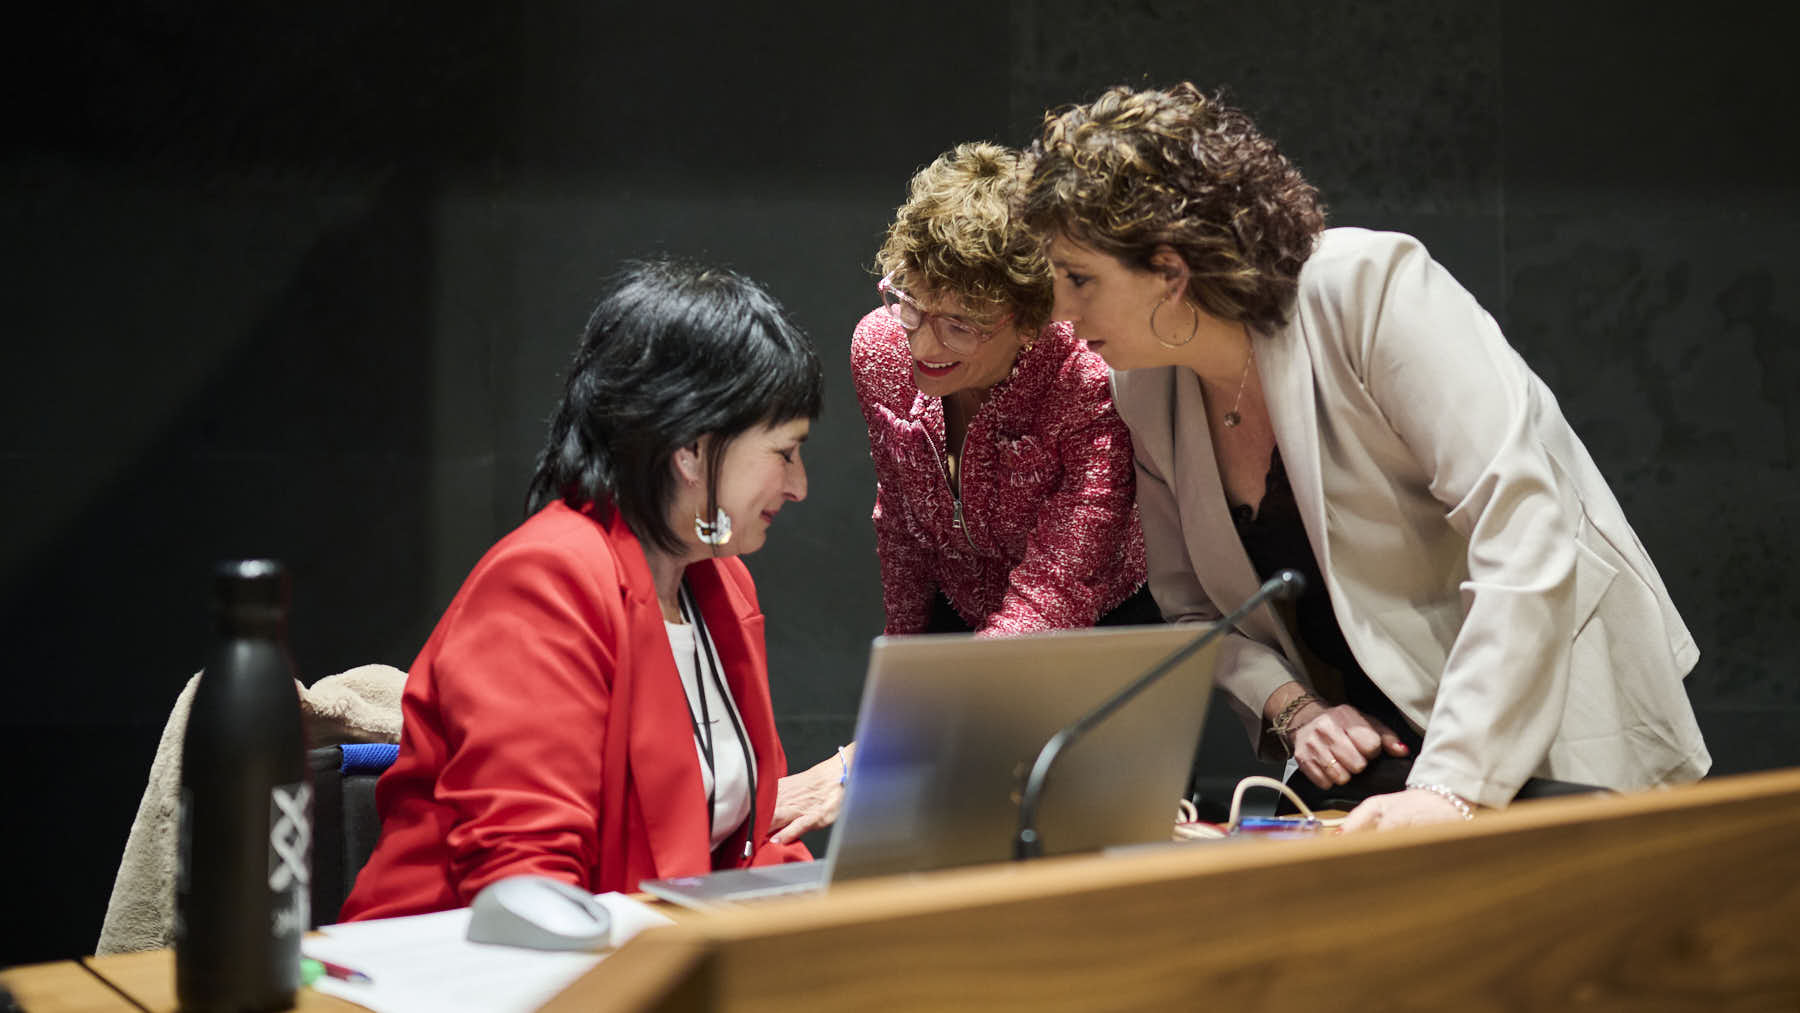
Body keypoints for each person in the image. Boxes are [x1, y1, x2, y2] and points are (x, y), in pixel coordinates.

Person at [1021, 83, 1709, 831]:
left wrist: (1452, 786)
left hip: (1548, 723)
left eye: (1078, 277)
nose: (1060, 310)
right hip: (1384, 762)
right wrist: (1294, 707)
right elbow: (1195, 612)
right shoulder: (1144, 385)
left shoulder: (1368, 288)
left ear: (1170, 269)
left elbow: (1521, 523)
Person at [340, 260, 819, 920]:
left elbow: (740, 848)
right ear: (691, 449)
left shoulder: (720, 581)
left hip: (633, 949)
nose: (798, 486)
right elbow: (526, 886)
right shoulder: (545, 580)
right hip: (458, 960)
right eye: (785, 452)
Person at [768, 142, 1155, 845]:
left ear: (1032, 317)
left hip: (1090, 635)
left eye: (961, 325)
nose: (923, 345)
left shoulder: (1088, 383)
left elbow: (1054, 596)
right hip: (962, 617)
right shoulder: (881, 349)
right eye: (912, 305)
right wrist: (900, 703)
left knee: (1072, 846)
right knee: (924, 836)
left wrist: (879, 749)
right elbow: (902, 527)